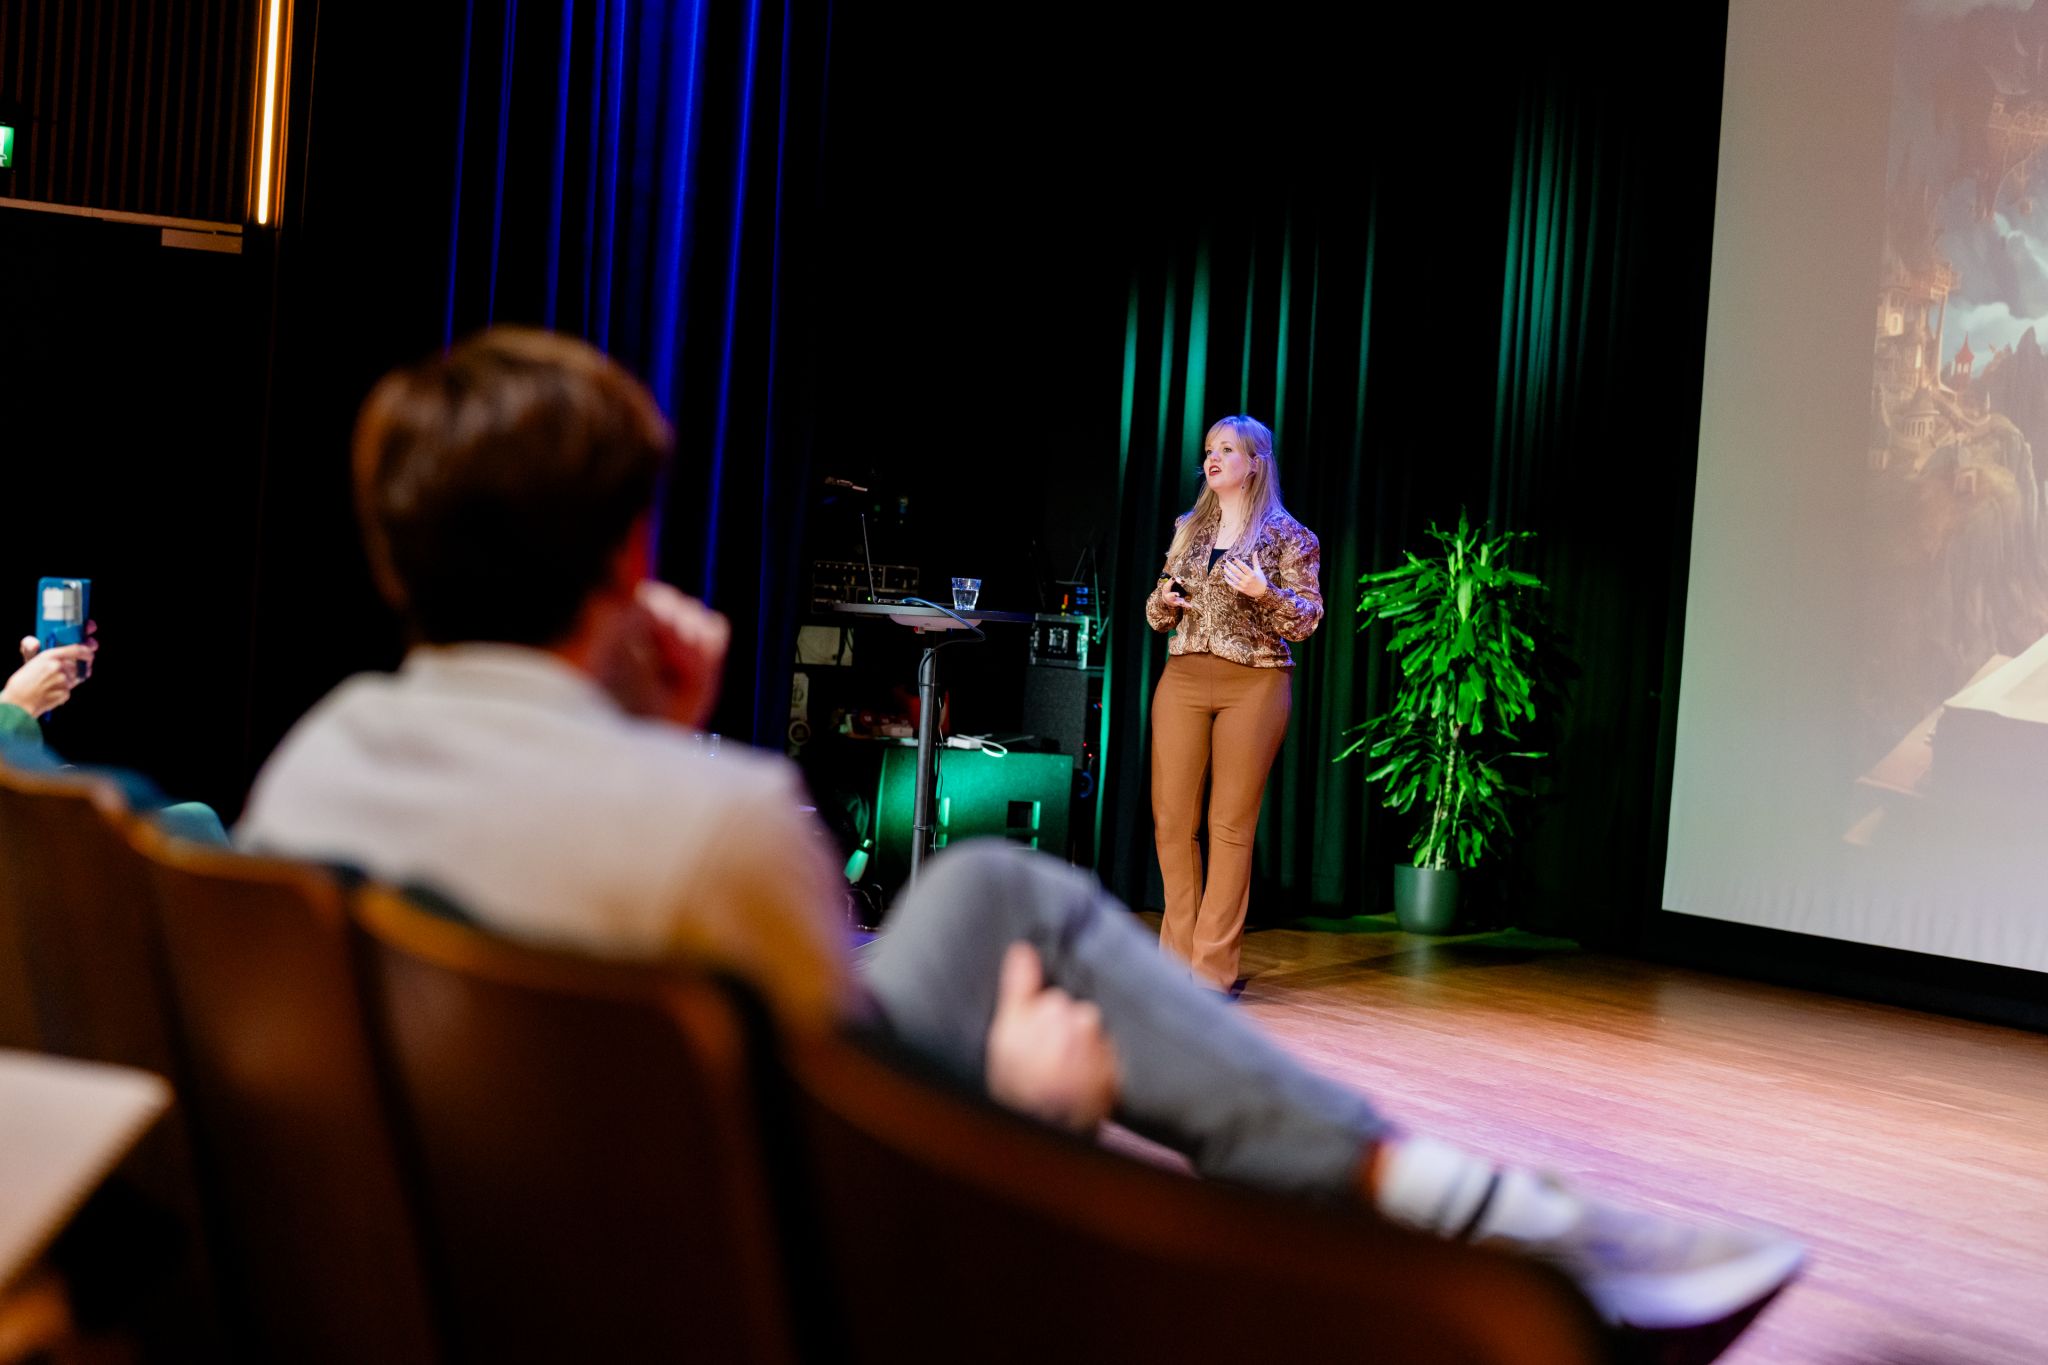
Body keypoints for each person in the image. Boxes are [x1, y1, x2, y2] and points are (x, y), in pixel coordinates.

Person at [238, 328, 1801, 1344]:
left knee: (996, 883)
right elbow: (861, 1173)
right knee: (1012, 895)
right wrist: (1022, 1109)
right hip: (718, 1281)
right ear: (625, 558)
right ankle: (1477, 1221)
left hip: (502, 1230)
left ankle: (1454, 1189)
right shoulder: (711, 825)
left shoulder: (300, 781)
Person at [1145, 415, 1318, 992]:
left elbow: (1308, 618)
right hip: (1184, 677)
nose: (1212, 459)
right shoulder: (1187, 528)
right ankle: (1176, 964)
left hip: (1255, 684)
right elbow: (1155, 614)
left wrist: (1264, 592)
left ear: (1255, 463)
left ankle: (1212, 972)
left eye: (1226, 449)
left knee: (1229, 826)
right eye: (1208, 450)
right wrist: (1164, 598)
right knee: (1172, 823)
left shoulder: (1291, 537)